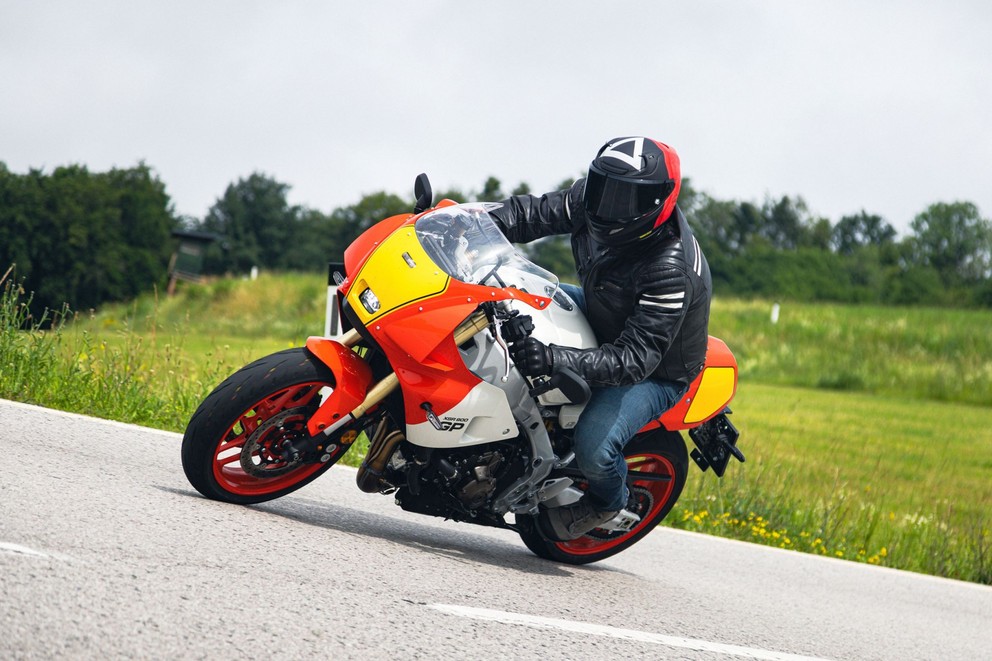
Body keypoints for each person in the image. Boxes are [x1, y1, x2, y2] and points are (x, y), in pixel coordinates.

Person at [489, 136, 712, 541]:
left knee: (595, 449)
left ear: (658, 202)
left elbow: (633, 359)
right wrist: (471, 227)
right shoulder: (590, 200)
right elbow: (531, 214)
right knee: (504, 287)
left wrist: (555, 358)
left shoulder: (669, 267)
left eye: (627, 198)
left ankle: (610, 502)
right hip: (602, 309)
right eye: (604, 187)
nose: (610, 204)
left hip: (656, 370)